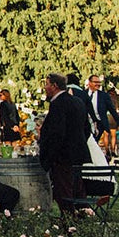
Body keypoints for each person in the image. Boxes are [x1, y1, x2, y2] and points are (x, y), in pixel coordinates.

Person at [39, 73, 92, 211]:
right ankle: (83, 216)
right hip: (78, 153)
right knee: (77, 188)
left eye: (47, 84)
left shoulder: (58, 104)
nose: (45, 87)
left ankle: (68, 221)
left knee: (64, 191)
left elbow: (57, 133)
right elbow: (87, 128)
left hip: (62, 156)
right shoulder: (77, 101)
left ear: (54, 86)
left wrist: (50, 155)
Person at [86, 75, 117, 159]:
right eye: (95, 82)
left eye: (99, 82)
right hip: (86, 123)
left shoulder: (104, 96)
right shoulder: (83, 94)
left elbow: (112, 109)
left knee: (94, 143)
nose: (98, 84)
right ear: (89, 83)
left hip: (99, 124)